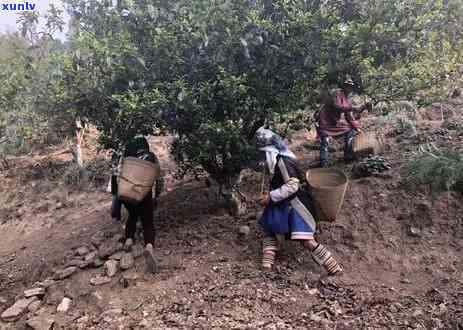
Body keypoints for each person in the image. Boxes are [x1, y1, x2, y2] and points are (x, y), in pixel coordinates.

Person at [255, 127, 343, 275]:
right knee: (269, 229)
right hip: (281, 203)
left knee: (305, 239)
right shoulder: (279, 159)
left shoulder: (283, 161)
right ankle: (266, 266)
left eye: (263, 153)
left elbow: (292, 186)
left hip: (295, 204)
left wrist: (270, 196)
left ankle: (333, 267)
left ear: (269, 150)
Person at [118, 136, 163, 274]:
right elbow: (157, 177)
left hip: (126, 194)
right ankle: (149, 246)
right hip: (144, 193)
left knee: (132, 216)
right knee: (147, 222)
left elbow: (118, 175)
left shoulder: (126, 156)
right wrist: (157, 195)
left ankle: (129, 240)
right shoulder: (151, 156)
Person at [315, 78, 371, 167]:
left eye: (351, 87)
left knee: (351, 130)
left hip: (334, 122)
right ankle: (323, 162)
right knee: (325, 140)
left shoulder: (347, 100)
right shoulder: (336, 92)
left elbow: (349, 116)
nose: (349, 89)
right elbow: (337, 106)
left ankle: (348, 156)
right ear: (344, 86)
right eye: (348, 86)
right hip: (324, 119)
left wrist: (357, 126)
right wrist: (353, 108)